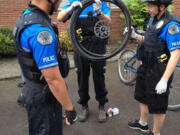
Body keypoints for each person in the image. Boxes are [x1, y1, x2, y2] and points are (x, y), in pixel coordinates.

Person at [13, 0, 77, 135]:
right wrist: (69, 109)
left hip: (31, 90)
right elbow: (53, 79)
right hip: (44, 97)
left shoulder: (26, 16)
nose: (60, 3)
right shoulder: (40, 32)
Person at [126, 0, 180, 135]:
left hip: (159, 70)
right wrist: (135, 36)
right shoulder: (153, 20)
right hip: (146, 66)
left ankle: (155, 132)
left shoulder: (171, 25)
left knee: (158, 105)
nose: (147, 8)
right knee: (142, 96)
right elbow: (149, 40)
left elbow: (175, 54)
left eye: (150, 5)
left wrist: (164, 80)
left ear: (161, 6)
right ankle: (142, 124)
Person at [57, 0, 111, 123]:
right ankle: (84, 106)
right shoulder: (75, 2)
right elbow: (60, 17)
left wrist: (98, 12)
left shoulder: (100, 3)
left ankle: (102, 105)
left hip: (98, 45)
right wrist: (70, 8)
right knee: (82, 77)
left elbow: (108, 21)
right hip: (80, 45)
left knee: (99, 76)